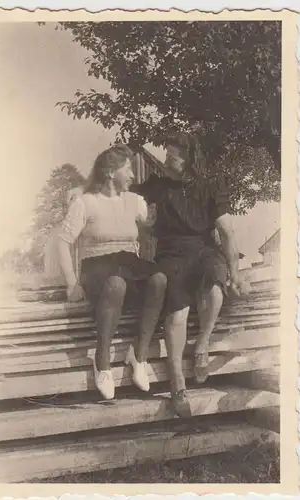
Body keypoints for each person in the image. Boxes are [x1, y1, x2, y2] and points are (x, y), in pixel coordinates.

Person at [130, 131, 244, 417]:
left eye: (172, 156)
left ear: (189, 158)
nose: (167, 160)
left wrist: (236, 273)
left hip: (203, 249)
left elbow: (227, 231)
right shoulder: (157, 186)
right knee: (177, 313)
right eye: (166, 155)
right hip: (170, 253)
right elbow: (127, 198)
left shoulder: (210, 186)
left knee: (215, 286)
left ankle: (203, 343)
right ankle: (178, 385)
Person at [57, 144, 167, 400]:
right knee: (116, 283)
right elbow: (62, 242)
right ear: (109, 172)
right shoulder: (85, 202)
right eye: (127, 169)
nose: (133, 175)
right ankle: (102, 361)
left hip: (129, 262)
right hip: (97, 266)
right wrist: (71, 284)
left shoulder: (135, 201)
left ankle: (138, 356)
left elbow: (154, 226)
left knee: (159, 279)